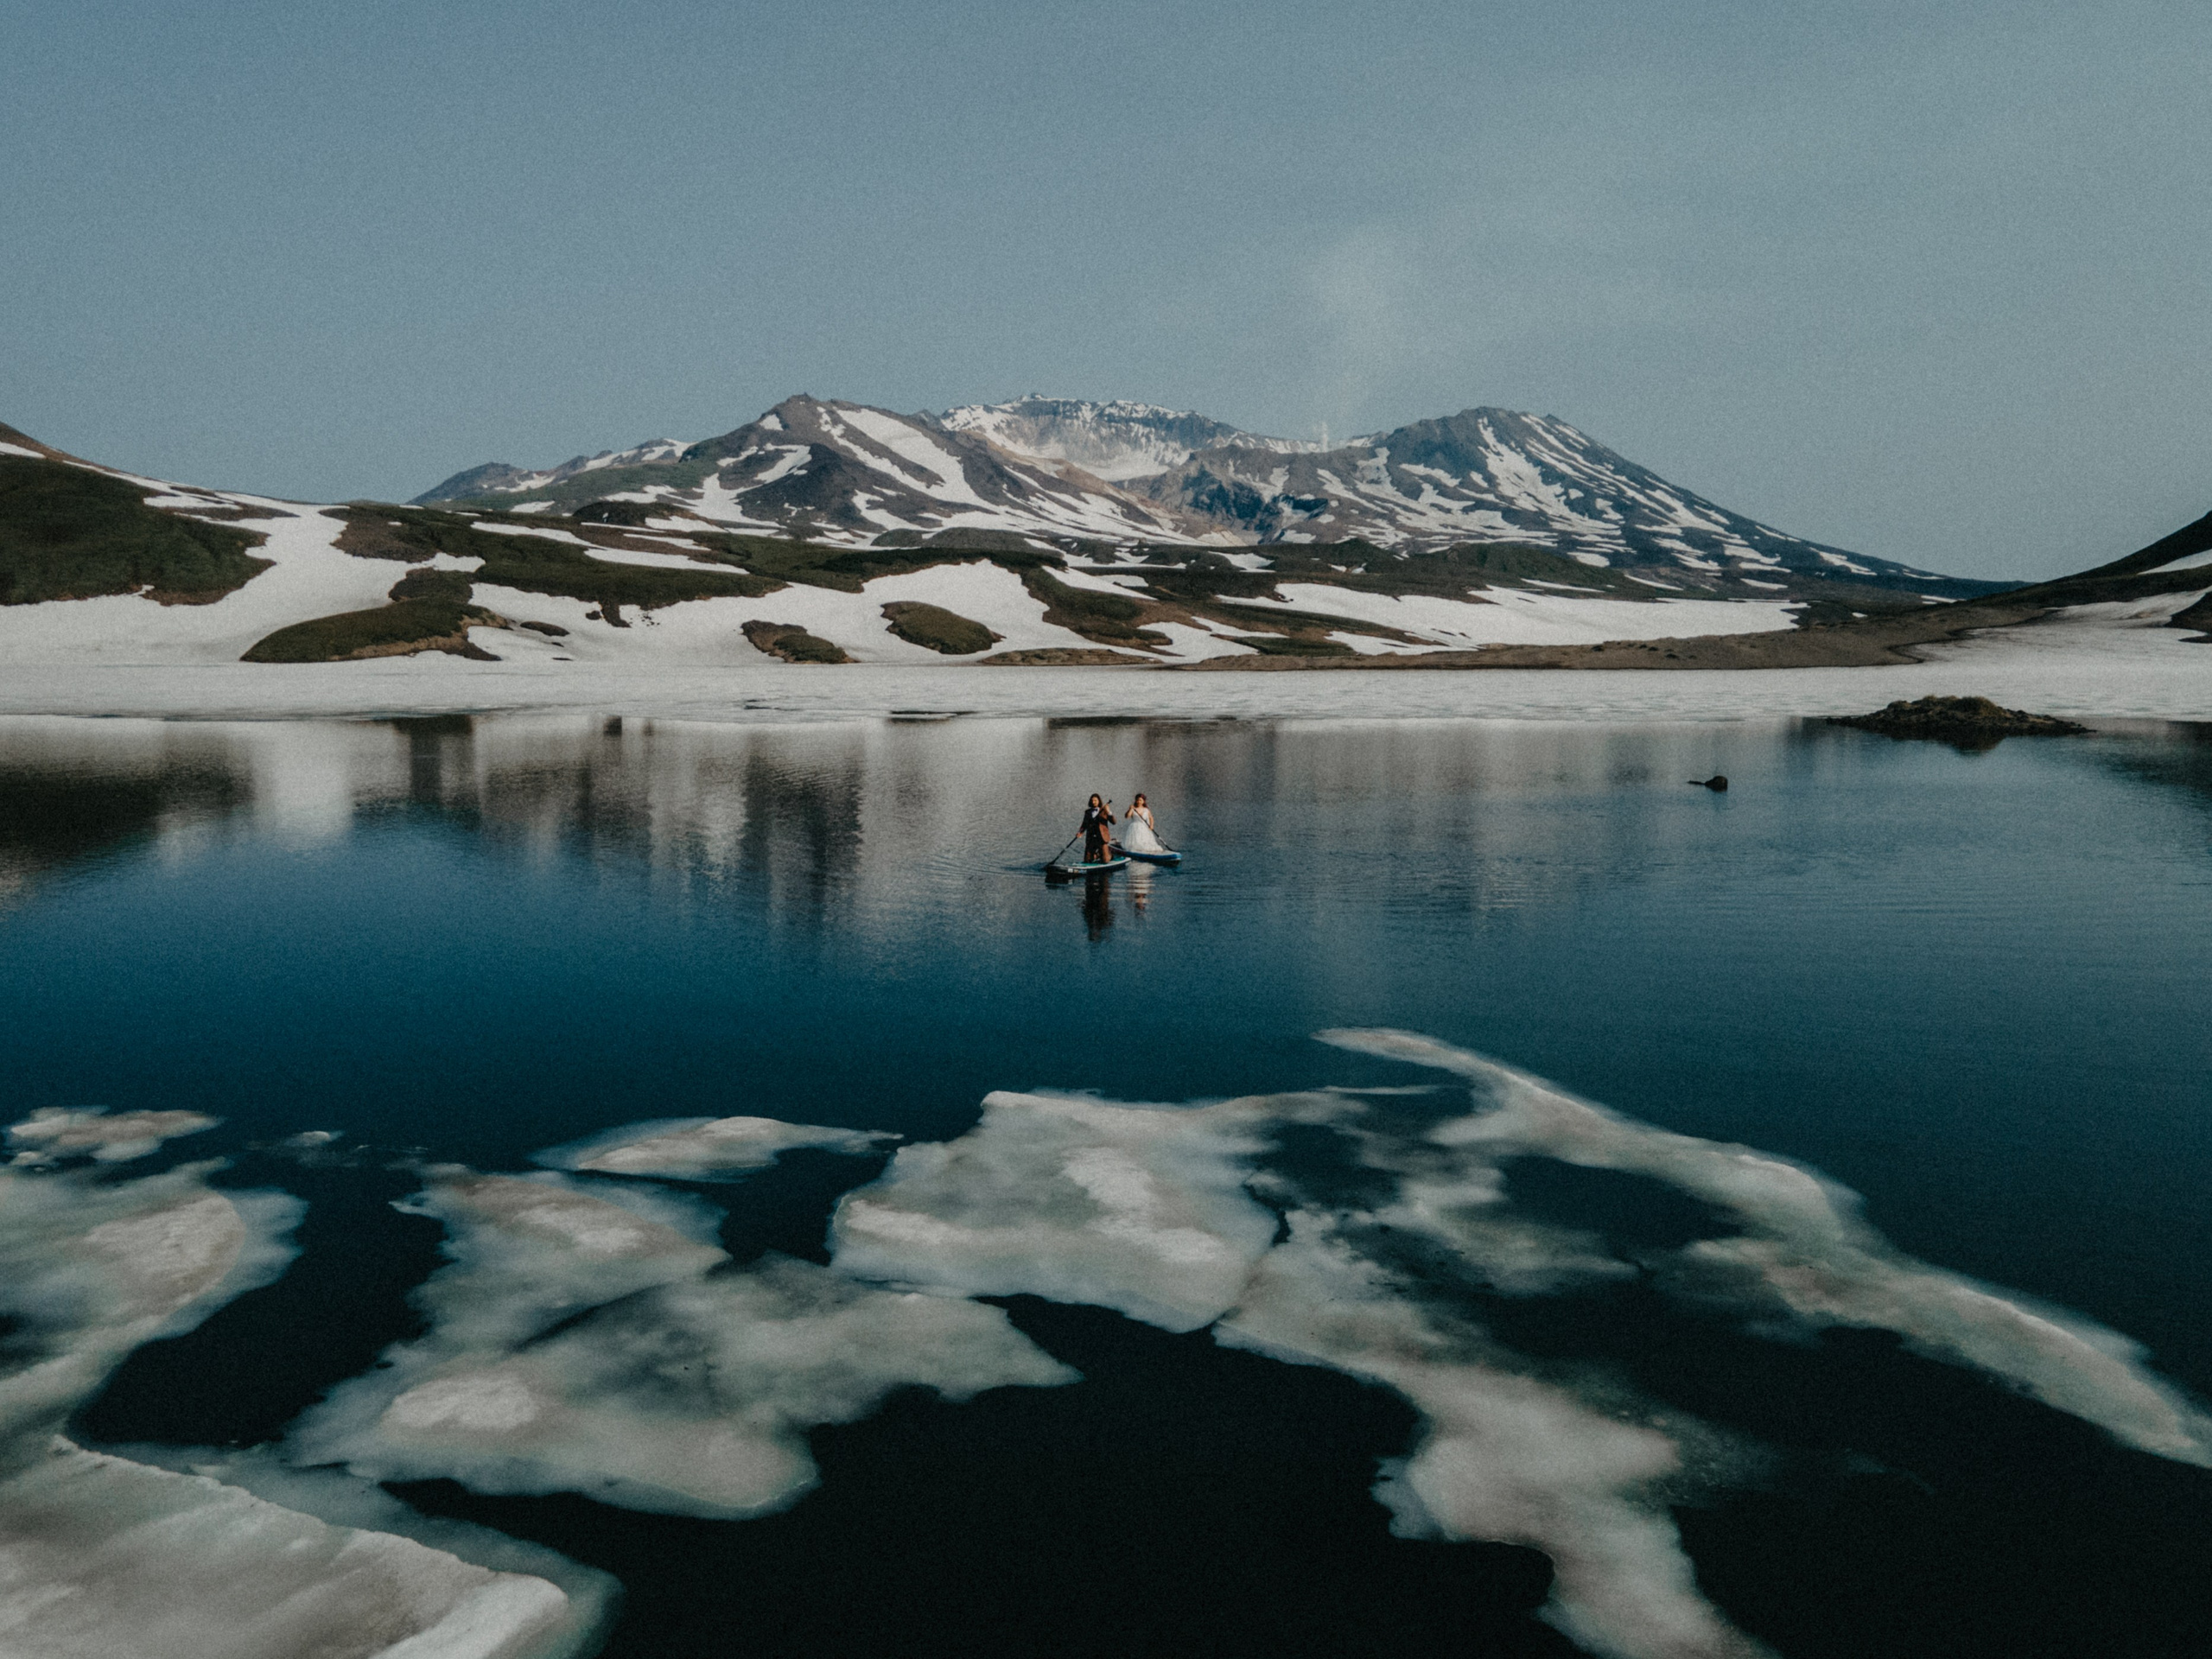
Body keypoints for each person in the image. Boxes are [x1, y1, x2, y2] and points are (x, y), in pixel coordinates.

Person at [1121, 792, 1169, 856]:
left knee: (1145, 842)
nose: (1138, 802)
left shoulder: (1146, 810)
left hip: (1144, 827)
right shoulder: (1133, 809)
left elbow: (1151, 818)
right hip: (1134, 827)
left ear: (1143, 801)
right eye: (1137, 800)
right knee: (1135, 844)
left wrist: (1151, 825)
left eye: (1140, 800)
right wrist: (1130, 809)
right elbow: (1127, 816)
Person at [1078, 794, 1116, 865]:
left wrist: (1109, 812)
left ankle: (1109, 855)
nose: (1093, 802)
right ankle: (1097, 855)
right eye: (1092, 800)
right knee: (1087, 861)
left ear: (1099, 801)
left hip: (1102, 838)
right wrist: (1080, 832)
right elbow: (1084, 824)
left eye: (1095, 800)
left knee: (1105, 861)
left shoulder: (1104, 811)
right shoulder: (1087, 812)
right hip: (1091, 838)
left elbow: (1114, 822)